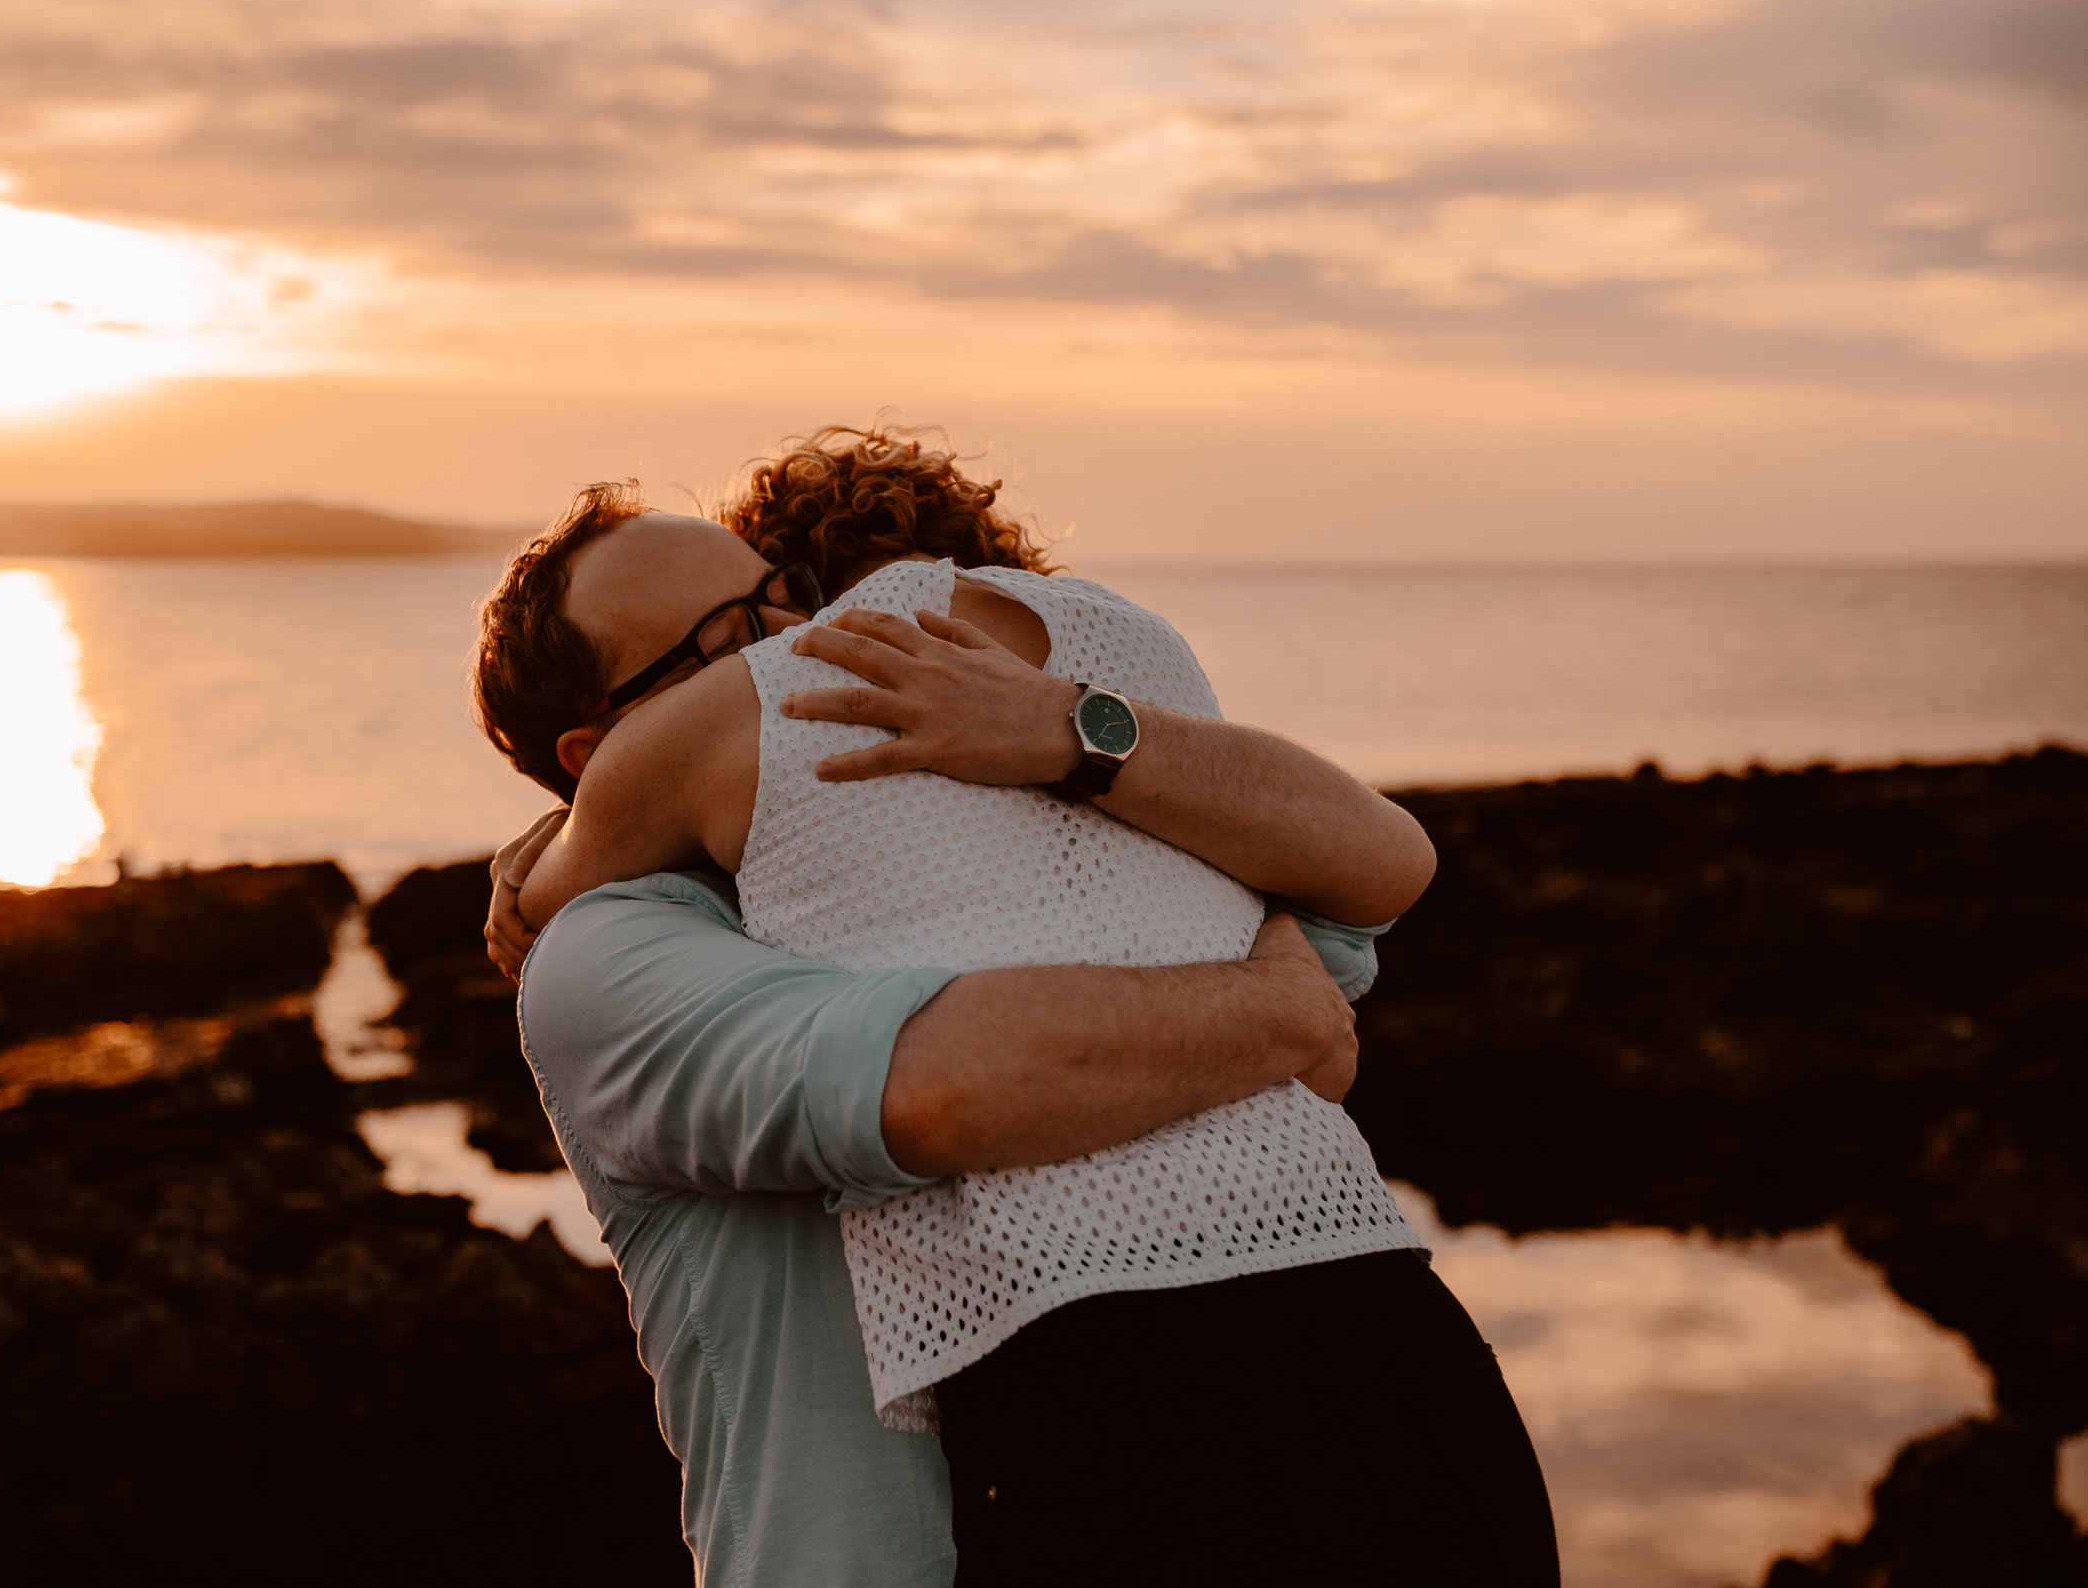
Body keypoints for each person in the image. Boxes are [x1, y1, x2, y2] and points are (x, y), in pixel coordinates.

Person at [473, 427, 1557, 1585]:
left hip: (1299, 1422)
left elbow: (1369, 882)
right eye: (725, 645)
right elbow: (950, 1083)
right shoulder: (599, 954)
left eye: (787, 597)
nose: (796, 648)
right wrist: (1270, 1014)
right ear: (596, 753)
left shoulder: (969, 830)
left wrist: (1063, 728)